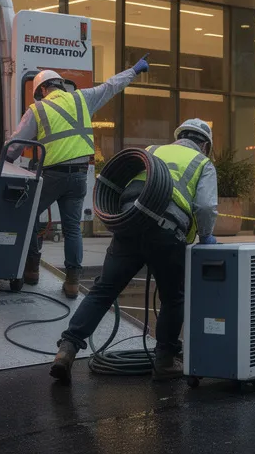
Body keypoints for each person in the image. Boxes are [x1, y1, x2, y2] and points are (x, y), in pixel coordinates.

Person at [50, 118, 219, 384]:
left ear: (179, 136)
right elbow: (206, 207)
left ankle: (67, 349)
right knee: (173, 298)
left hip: (130, 225)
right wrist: (207, 236)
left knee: (103, 290)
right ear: (205, 144)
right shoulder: (202, 163)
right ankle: (164, 361)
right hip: (167, 234)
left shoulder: (152, 151)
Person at [5, 55, 149, 299]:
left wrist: (3, 161)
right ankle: (72, 282)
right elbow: (111, 86)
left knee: (27, 216)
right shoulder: (83, 99)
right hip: (80, 176)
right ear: (60, 84)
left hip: (52, 176)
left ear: (42, 89)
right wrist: (134, 71)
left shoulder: (37, 109)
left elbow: (14, 147)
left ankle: (30, 270)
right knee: (72, 228)